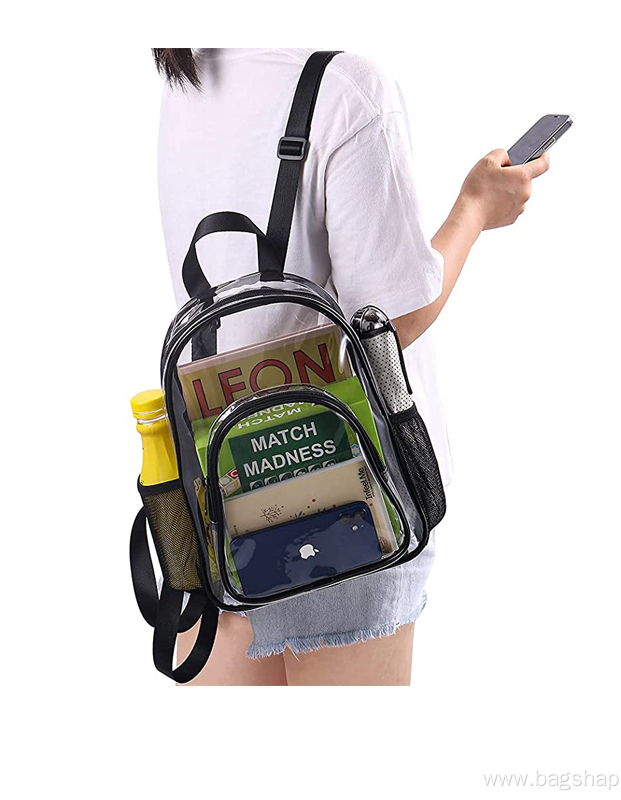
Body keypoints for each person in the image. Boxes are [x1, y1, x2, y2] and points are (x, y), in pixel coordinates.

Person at [155, 48, 550, 686]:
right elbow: (392, 321)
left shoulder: (190, 73)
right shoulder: (348, 90)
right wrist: (476, 209)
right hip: (345, 496)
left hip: (219, 492)